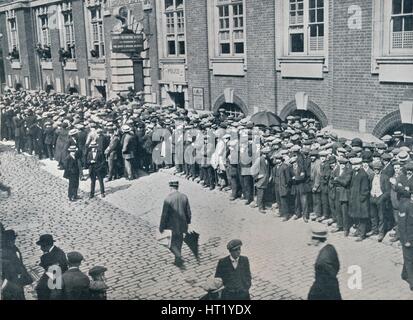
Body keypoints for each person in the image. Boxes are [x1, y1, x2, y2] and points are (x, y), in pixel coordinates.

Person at [159, 181, 192, 268]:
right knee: (179, 241)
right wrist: (188, 222)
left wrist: (161, 226)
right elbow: (188, 212)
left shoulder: (168, 199)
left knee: (171, 243)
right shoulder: (184, 197)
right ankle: (177, 260)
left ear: (170, 187)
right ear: (177, 187)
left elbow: (164, 214)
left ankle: (178, 257)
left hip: (172, 226)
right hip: (182, 224)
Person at [307, 225, 342, 300]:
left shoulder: (321, 262)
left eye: (312, 238)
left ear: (317, 240)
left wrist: (312, 295)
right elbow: (337, 266)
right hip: (334, 286)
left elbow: (322, 283)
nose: (310, 240)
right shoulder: (331, 248)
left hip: (326, 292)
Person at [1, 230, 33, 300]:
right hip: (9, 281)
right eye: (11, 239)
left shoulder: (15, 248)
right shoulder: (3, 252)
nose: (13, 241)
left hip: (18, 280)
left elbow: (20, 263)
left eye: (13, 239)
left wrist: (25, 275)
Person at [35, 234, 68, 300]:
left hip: (58, 279)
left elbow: (56, 274)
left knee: (41, 289)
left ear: (46, 245)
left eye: (42, 246)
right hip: (53, 276)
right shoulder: (48, 253)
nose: (41, 248)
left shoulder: (58, 254)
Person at [349, 157, 371, 242]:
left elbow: (366, 189)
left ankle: (362, 234)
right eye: (354, 165)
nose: (355, 166)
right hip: (355, 198)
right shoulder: (354, 173)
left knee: (362, 217)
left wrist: (362, 198)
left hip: (361, 200)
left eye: (357, 165)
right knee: (357, 216)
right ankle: (358, 231)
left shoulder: (363, 174)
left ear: (360, 165)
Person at [397, 190, 413, 292]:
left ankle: (404, 273)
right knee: (409, 260)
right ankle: (412, 282)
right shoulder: (405, 206)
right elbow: (401, 226)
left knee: (409, 258)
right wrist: (405, 240)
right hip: (408, 238)